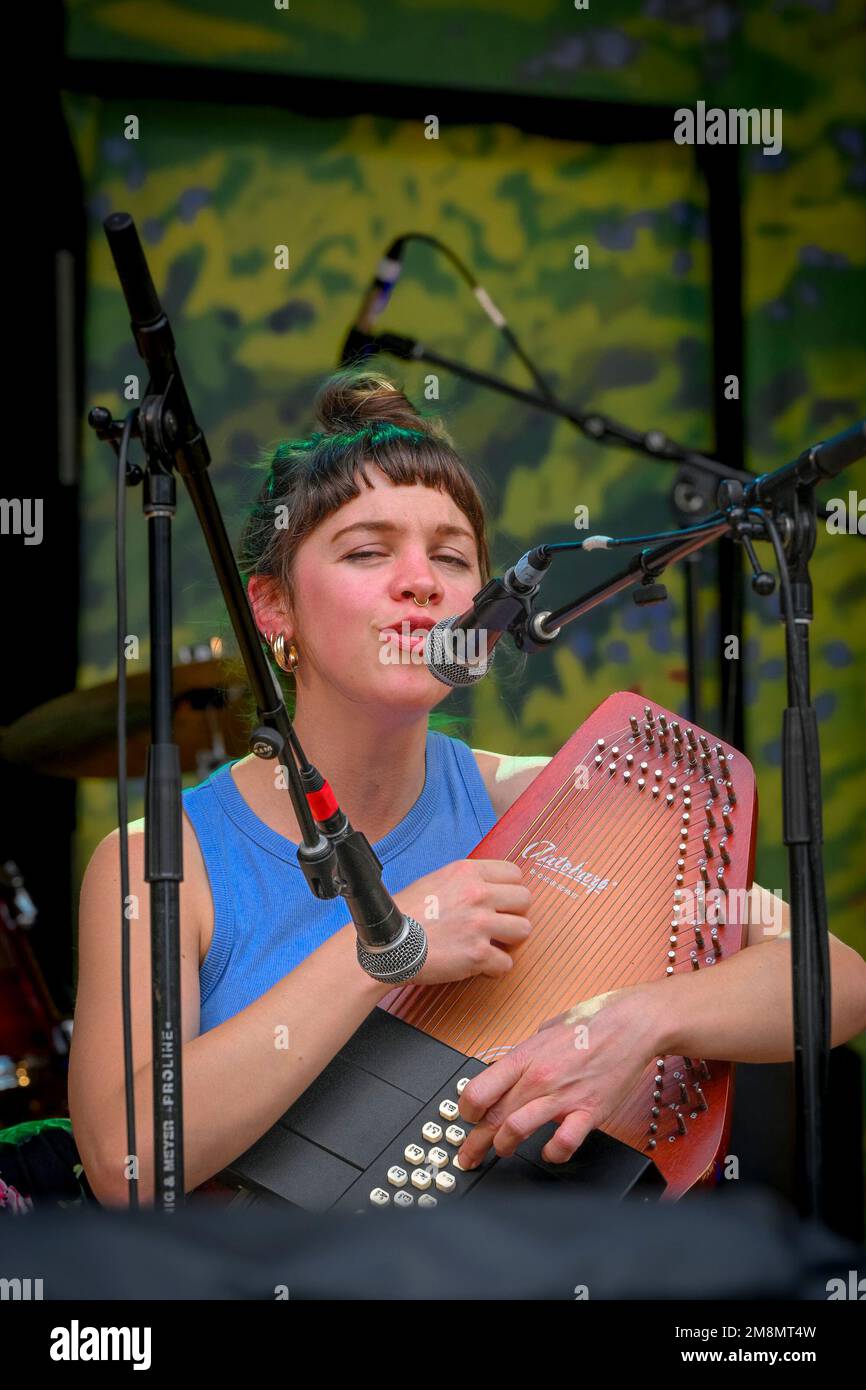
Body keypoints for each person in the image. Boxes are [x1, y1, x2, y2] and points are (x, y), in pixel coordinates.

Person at [68, 370, 866, 1205]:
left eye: (451, 557)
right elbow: (127, 1165)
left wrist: (637, 1022)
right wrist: (389, 945)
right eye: (368, 552)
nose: (423, 582)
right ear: (273, 610)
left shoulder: (552, 801)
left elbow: (831, 979)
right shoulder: (160, 864)